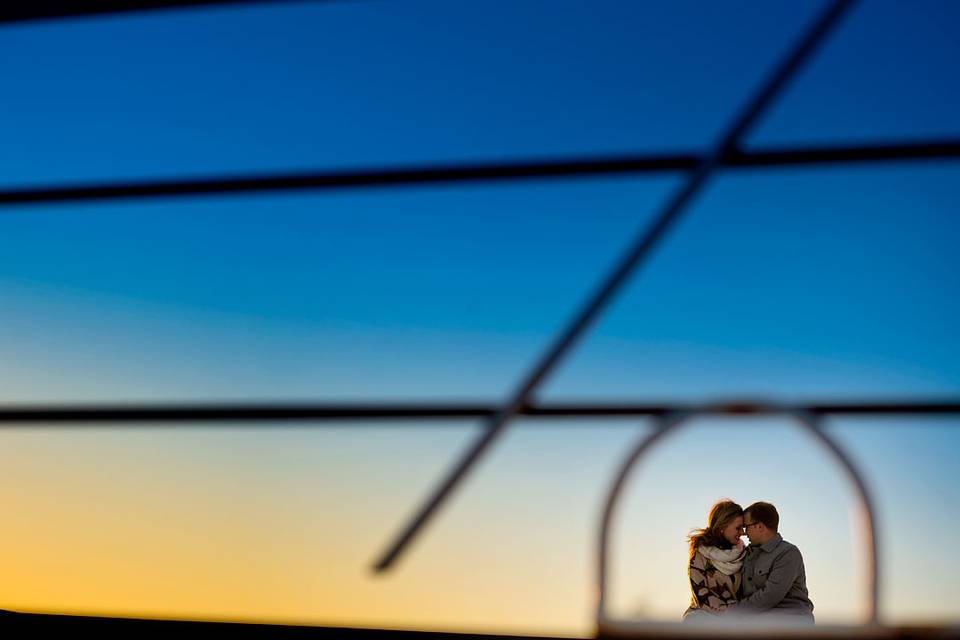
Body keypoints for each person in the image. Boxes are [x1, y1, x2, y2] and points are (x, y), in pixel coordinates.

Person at [720, 501, 815, 624]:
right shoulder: (746, 553)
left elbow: (770, 596)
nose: (744, 532)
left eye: (746, 526)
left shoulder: (788, 553)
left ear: (759, 526)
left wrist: (735, 610)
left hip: (791, 621)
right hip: (756, 620)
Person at [682, 500, 745, 622]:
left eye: (742, 528)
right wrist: (728, 614)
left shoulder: (744, 554)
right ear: (723, 526)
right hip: (704, 616)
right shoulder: (700, 553)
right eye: (738, 528)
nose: (742, 533)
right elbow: (701, 594)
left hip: (738, 618)